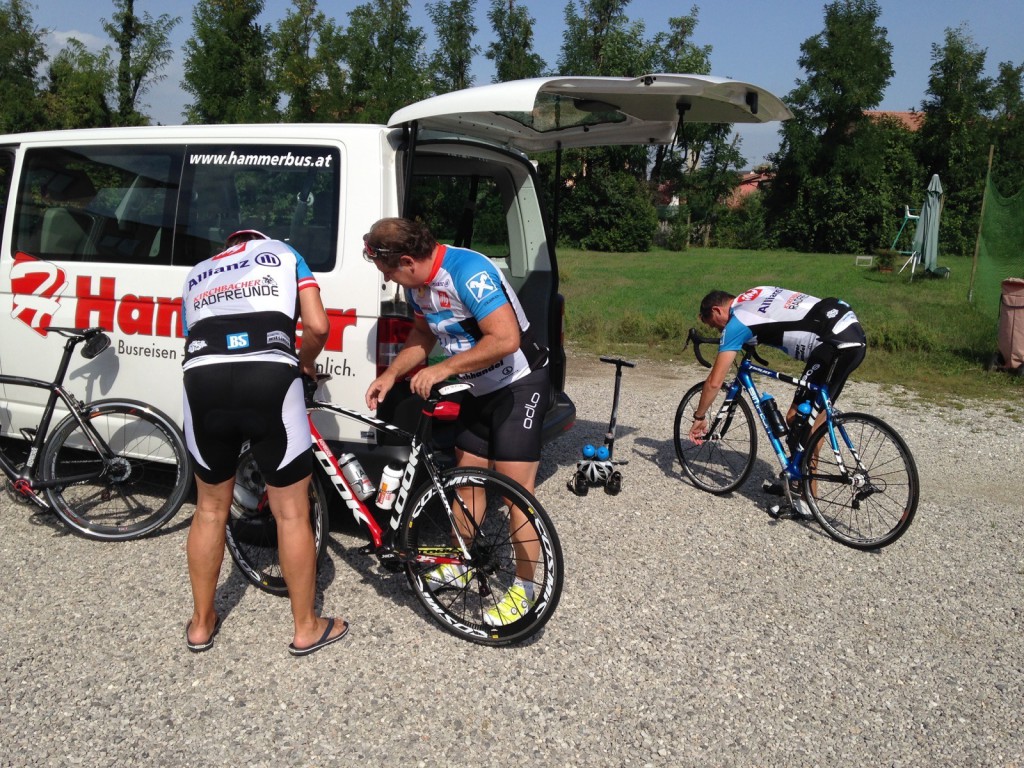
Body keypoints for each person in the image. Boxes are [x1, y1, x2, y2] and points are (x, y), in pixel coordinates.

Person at [363, 217, 550, 627]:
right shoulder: (417, 285)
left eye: (388, 271)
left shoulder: (468, 271)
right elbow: (422, 334)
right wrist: (392, 374)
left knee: (516, 494)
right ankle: (460, 562)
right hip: (477, 389)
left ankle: (525, 590)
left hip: (519, 384)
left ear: (407, 261)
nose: (388, 279)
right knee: (466, 482)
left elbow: (505, 339)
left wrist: (444, 368)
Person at [181, 229, 348, 656]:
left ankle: (201, 624)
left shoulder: (198, 272)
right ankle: (306, 627)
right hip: (269, 374)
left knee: (209, 509)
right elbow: (317, 326)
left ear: (228, 248)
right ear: (262, 240)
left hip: (203, 380)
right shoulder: (285, 253)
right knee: (291, 513)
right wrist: (304, 362)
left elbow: (191, 335)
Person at [688, 287, 866, 515]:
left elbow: (714, 382)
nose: (719, 330)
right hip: (850, 331)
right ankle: (796, 482)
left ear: (716, 310)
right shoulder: (754, 293)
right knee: (813, 421)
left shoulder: (736, 323)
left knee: (798, 422)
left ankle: (806, 503)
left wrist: (699, 416)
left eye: (715, 325)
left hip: (833, 344)